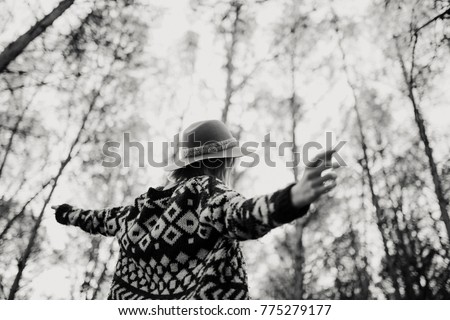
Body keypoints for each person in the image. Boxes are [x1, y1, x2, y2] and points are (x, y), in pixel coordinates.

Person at [52, 119, 339, 299]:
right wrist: (291, 198)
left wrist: (65, 213)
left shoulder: (136, 211)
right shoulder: (204, 192)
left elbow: (95, 219)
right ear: (220, 161)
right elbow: (241, 216)